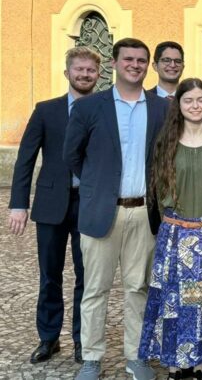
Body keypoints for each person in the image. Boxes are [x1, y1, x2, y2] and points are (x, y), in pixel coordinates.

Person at [64, 38, 169, 380]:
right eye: (128, 59)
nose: (135, 65)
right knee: (95, 288)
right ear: (114, 63)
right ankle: (92, 358)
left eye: (142, 60)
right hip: (100, 213)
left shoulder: (160, 109)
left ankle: (136, 356)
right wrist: (98, 186)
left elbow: (165, 158)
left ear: (147, 65)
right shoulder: (88, 108)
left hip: (144, 212)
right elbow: (72, 156)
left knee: (138, 288)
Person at [8, 46, 100, 365]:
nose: (85, 74)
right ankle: (49, 338)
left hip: (89, 204)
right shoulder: (46, 110)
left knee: (87, 277)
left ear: (98, 74)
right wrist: (18, 203)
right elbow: (25, 159)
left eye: (90, 70)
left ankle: (81, 339)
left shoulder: (106, 110)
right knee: (50, 275)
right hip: (50, 204)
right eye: (79, 69)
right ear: (67, 73)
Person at [138, 79, 202, 379]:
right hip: (174, 234)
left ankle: (199, 367)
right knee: (173, 304)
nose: (196, 105)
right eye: (189, 100)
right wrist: (171, 227)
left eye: (201, 99)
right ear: (179, 104)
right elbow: (158, 189)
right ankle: (176, 368)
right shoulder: (166, 141)